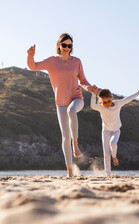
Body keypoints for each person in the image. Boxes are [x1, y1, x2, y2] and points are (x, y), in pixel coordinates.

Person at [27, 33, 97, 177]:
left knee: (72, 111)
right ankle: (70, 172)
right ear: (59, 45)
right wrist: (30, 55)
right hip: (60, 103)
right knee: (65, 137)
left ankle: (75, 144)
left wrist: (90, 88)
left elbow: (83, 80)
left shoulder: (76, 62)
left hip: (77, 98)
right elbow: (33, 67)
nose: (66, 48)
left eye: (69, 45)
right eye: (64, 45)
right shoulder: (52, 61)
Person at [90, 88, 139, 176]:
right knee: (106, 154)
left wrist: (138, 93)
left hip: (116, 131)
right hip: (106, 131)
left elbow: (128, 99)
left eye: (109, 101)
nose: (107, 104)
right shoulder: (101, 107)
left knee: (113, 143)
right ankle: (108, 175)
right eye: (104, 102)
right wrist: (93, 94)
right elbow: (92, 106)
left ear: (112, 98)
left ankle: (114, 156)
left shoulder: (118, 104)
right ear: (101, 101)